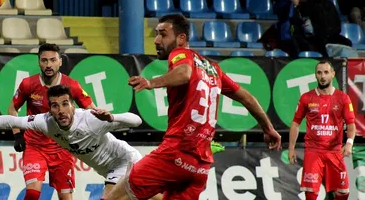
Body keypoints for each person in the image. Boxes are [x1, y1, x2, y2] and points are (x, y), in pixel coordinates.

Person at [105, 14, 282, 200]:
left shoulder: (180, 54)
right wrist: (268, 129)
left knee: (117, 196)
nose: (157, 40)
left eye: (163, 35)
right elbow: (248, 98)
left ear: (181, 38)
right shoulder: (214, 69)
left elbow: (185, 73)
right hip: (200, 166)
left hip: (176, 152)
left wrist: (151, 82)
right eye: (156, 34)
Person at [0, 84, 162, 200]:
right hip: (109, 172)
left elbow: (136, 120)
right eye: (55, 106)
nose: (61, 110)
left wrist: (112, 117)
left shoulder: (92, 119)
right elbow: (11, 120)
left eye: (65, 104)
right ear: (50, 108)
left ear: (72, 105)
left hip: (128, 162)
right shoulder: (45, 122)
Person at [8, 43, 95, 200]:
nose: (49, 65)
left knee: (65, 197)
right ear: (39, 62)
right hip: (35, 146)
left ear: (60, 61)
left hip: (62, 147)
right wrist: (17, 135)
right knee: (32, 194)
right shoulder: (28, 84)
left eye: (53, 60)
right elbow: (12, 109)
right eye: (44, 60)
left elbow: (91, 111)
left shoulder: (72, 85)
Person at [288, 60, 355, 200]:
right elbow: (295, 123)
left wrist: (349, 142)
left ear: (332, 74)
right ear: (315, 75)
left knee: (343, 193)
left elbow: (350, 124)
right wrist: (291, 148)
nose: (322, 76)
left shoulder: (343, 98)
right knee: (311, 193)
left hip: (335, 151)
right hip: (313, 151)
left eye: (326, 72)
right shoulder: (306, 98)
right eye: (319, 73)